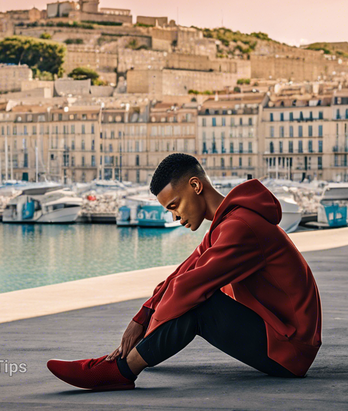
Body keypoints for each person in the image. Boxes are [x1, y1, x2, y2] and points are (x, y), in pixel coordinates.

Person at [47, 153, 322, 390]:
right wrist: (142, 316)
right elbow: (184, 271)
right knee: (187, 291)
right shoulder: (227, 224)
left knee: (200, 305)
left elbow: (190, 287)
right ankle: (131, 358)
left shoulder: (242, 227)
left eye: (174, 205)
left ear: (195, 185)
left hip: (291, 350)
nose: (174, 217)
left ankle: (120, 370)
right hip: (280, 335)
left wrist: (148, 328)